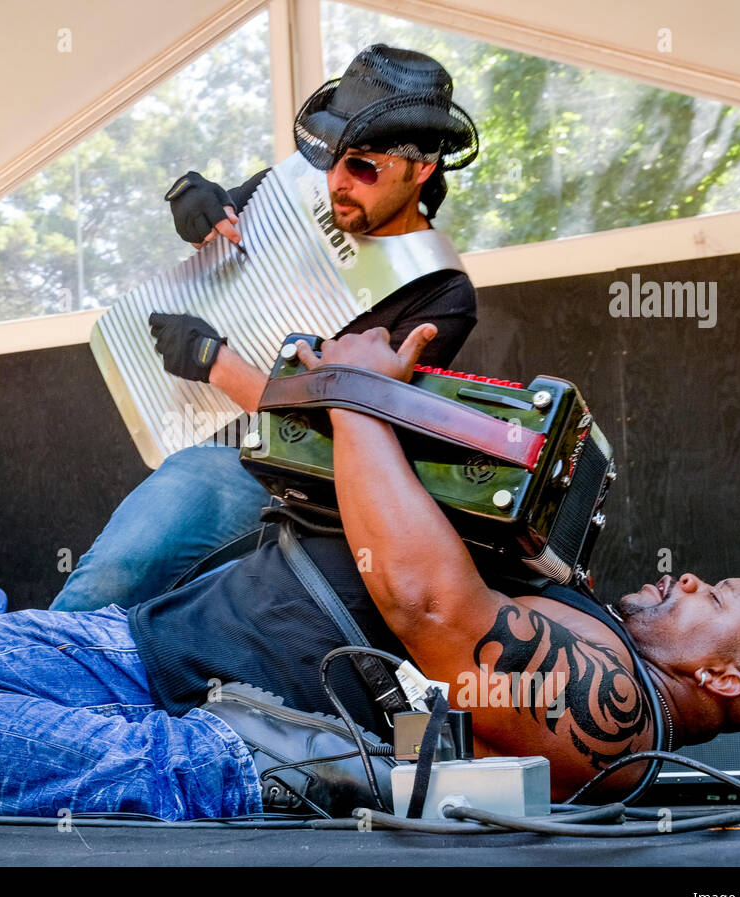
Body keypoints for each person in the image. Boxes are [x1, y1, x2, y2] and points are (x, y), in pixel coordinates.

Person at [0, 325, 740, 819]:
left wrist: (355, 397)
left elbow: (426, 601)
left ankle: (192, 775)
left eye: (716, 598)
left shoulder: (620, 722)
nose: (689, 582)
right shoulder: (592, 628)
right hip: (154, 647)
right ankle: (129, 748)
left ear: (723, 677)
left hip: (221, 723)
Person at [51, 44, 481, 612]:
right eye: (331, 157)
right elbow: (222, 230)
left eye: (363, 166)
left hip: (298, 486)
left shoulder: (437, 289)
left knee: (130, 566)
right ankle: (6, 676)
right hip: (209, 440)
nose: (335, 182)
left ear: (421, 168)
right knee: (110, 585)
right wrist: (196, 202)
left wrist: (216, 364)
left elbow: (347, 438)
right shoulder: (300, 190)